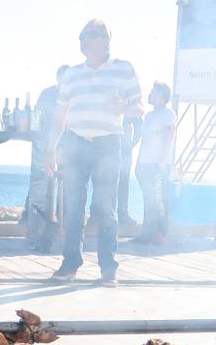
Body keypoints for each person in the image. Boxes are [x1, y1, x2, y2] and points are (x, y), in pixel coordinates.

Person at [44, 19, 143, 286]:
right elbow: (59, 116)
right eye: (81, 36)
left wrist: (123, 107)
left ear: (105, 40)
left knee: (104, 208)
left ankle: (108, 269)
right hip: (75, 144)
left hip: (108, 145)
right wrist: (50, 149)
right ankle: (70, 264)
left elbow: (139, 108)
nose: (83, 40)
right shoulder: (72, 74)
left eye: (89, 35)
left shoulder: (124, 70)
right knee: (73, 207)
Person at [24, 64, 69, 252]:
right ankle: (40, 236)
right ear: (57, 77)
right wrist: (39, 139)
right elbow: (36, 116)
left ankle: (65, 232)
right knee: (42, 189)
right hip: (45, 145)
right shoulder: (47, 94)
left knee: (67, 189)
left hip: (68, 146)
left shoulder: (74, 95)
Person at [134, 81, 176, 245]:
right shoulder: (149, 115)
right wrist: (138, 162)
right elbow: (144, 140)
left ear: (161, 96)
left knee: (159, 199)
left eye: (153, 92)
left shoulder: (169, 114)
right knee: (147, 199)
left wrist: (162, 161)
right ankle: (146, 233)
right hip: (144, 162)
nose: (150, 94)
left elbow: (168, 137)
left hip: (158, 164)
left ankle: (160, 234)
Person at [87, 114, 141, 233]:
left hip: (119, 147)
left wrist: (130, 145)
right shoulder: (113, 100)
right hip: (106, 145)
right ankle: (96, 216)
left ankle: (121, 215)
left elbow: (138, 126)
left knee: (121, 182)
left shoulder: (126, 104)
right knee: (100, 180)